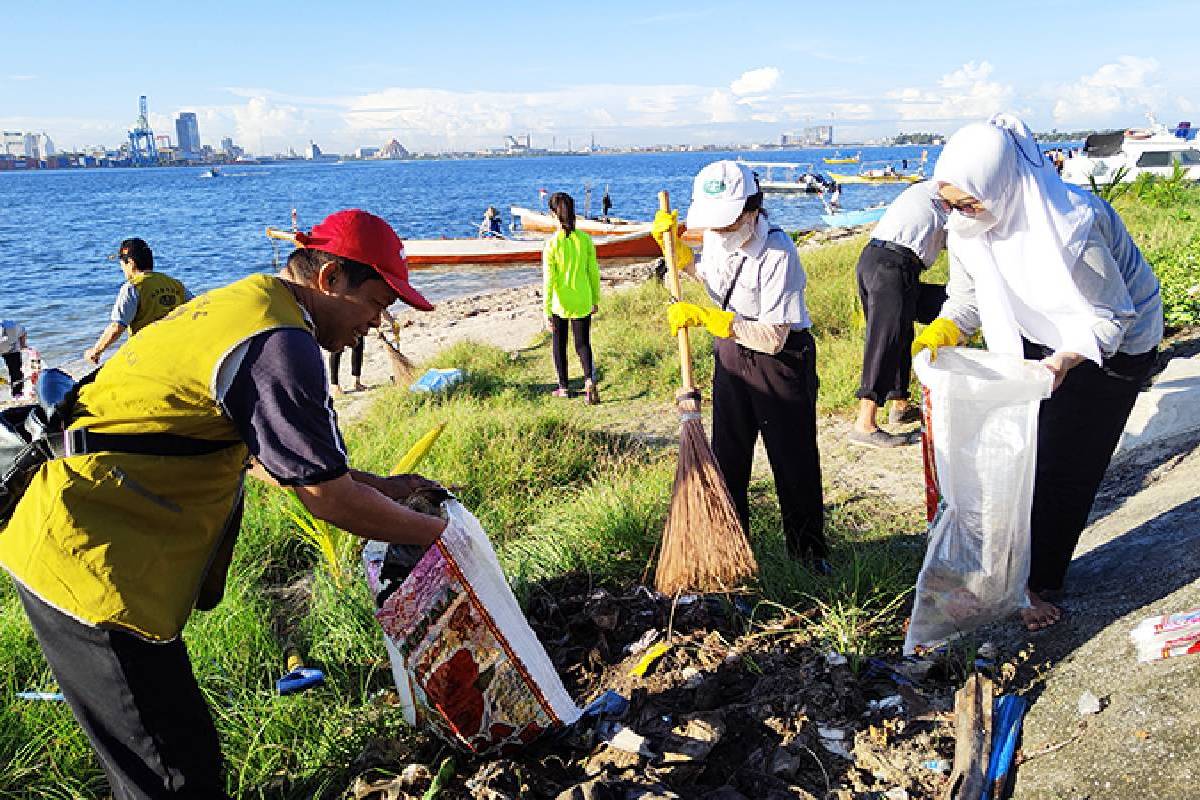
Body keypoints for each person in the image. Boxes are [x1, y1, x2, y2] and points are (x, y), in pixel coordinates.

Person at [0, 209, 448, 798]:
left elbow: (278, 458)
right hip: (87, 561)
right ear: (331, 278)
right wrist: (436, 536)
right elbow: (327, 498)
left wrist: (386, 488)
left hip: (100, 539)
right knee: (173, 776)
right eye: (378, 301)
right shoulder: (281, 344)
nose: (378, 321)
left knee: (162, 758)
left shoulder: (254, 302)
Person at [913, 114, 1163, 631]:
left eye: (967, 202)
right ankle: (1008, 577)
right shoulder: (969, 228)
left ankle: (1039, 583)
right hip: (1043, 335)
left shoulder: (1072, 224)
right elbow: (966, 302)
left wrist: (1067, 360)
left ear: (1002, 187)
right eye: (948, 203)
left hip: (1117, 340)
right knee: (1016, 457)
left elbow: (1112, 316)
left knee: (1064, 463)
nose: (957, 214)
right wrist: (940, 333)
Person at [658, 160, 827, 570]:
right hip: (732, 355)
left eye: (727, 222)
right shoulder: (719, 236)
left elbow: (773, 336)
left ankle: (809, 558)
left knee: (793, 460)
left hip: (782, 361)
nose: (719, 231)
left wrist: (707, 319)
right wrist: (676, 260)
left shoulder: (778, 251)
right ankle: (733, 552)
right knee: (728, 456)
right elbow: (711, 279)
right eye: (713, 225)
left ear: (753, 209)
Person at [849, 181, 948, 447]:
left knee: (901, 331)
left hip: (880, 260)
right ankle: (865, 423)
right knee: (885, 338)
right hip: (891, 264)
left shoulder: (929, 195)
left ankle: (899, 404)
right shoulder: (941, 197)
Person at [85, 238, 191, 364]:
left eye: (122, 265)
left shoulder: (132, 287)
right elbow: (196, 307)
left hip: (148, 353)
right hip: (177, 349)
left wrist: (96, 351)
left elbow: (117, 327)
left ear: (130, 262)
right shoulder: (175, 284)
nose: (123, 269)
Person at [542, 191, 601, 404]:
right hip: (583, 298)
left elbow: (549, 280)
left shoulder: (551, 244)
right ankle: (588, 381)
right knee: (583, 344)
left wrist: (546, 310)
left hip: (560, 302)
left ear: (552, 214)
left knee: (559, 345)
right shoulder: (585, 240)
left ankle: (564, 387)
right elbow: (593, 271)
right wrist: (595, 298)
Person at [329, 307, 396, 394]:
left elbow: (378, 305)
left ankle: (356, 381)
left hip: (356, 316)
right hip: (339, 314)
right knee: (337, 348)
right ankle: (335, 385)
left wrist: (392, 322)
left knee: (358, 345)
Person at [0, 319, 27, 398]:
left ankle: (17, 393)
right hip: (6, 346)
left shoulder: (11, 327)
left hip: (13, 348)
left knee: (15, 371)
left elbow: (23, 332)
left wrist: (23, 345)